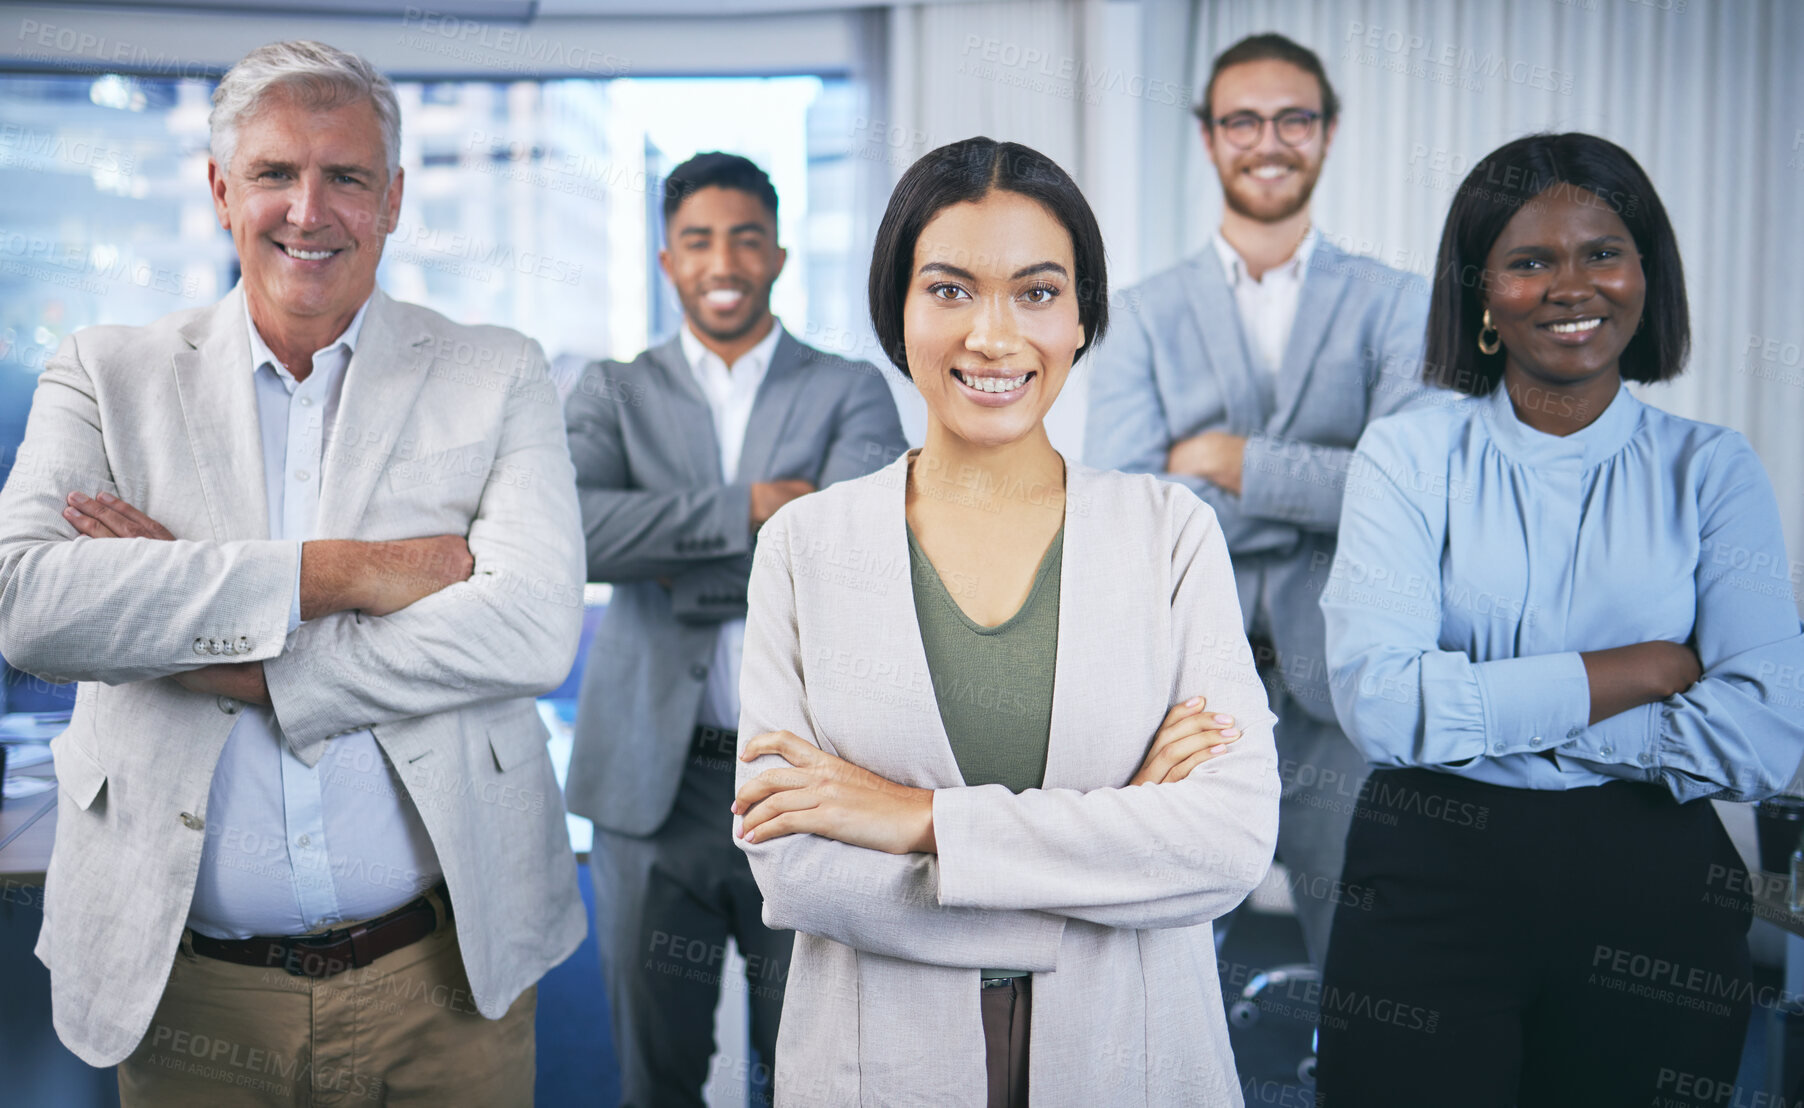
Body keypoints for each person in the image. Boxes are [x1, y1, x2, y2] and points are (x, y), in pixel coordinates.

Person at [0, 40, 586, 1106]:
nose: (308, 210)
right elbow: (31, 607)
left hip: (444, 984)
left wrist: (227, 650)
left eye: (347, 177)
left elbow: (533, 629)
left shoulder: (496, 371)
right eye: (275, 173)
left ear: (394, 198)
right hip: (193, 993)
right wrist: (349, 573)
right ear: (221, 188)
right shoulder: (104, 371)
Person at [731, 136, 1280, 1108]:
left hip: (1132, 1050)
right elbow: (794, 869)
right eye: (948, 290)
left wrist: (916, 821)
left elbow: (1227, 841)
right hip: (881, 1060)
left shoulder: (1168, 534)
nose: (992, 335)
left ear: (1081, 319)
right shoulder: (806, 547)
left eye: (1035, 292)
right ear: (896, 313)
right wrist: (1114, 857)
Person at [1316, 132, 1804, 1105]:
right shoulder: (1407, 455)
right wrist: (1640, 667)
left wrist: (1487, 718)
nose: (1570, 285)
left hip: (1654, 891)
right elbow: (1382, 705)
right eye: (1529, 260)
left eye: (1602, 253)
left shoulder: (1712, 468)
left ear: (1643, 275)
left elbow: (1761, 734)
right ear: (1482, 294)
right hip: (1429, 876)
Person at [563, 151, 907, 1107]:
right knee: (654, 1078)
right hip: (648, 790)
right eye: (699, 240)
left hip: (804, 781)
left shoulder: (850, 390)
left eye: (746, 237)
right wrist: (752, 507)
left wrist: (666, 552)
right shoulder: (610, 389)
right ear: (669, 260)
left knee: (804, 1074)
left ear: (779, 255)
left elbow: (852, 561)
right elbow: (575, 533)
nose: (724, 259)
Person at [1084, 32, 1431, 968]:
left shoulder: (1402, 305)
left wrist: (1231, 461)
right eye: (1242, 119)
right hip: (1186, 683)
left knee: (1364, 962)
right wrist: (1327, 482)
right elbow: (1129, 511)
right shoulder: (1141, 313)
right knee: (1162, 959)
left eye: (1292, 119)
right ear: (1208, 137)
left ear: (1326, 133)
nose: (1267, 141)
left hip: (1350, 687)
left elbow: (1409, 497)